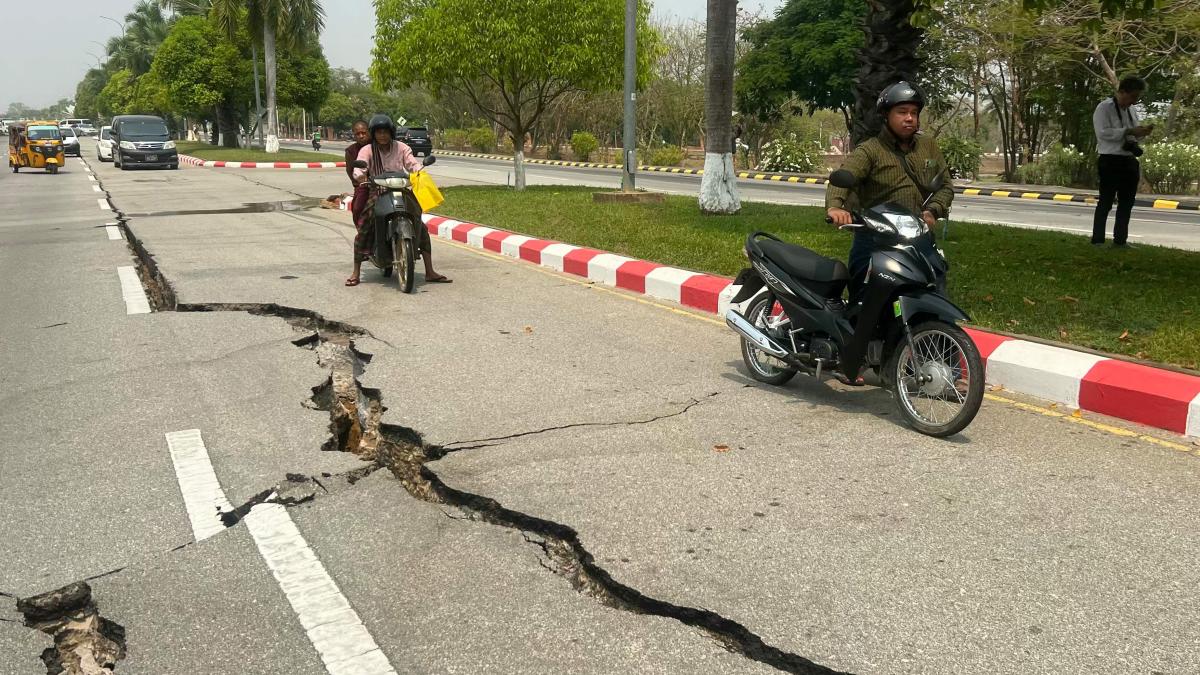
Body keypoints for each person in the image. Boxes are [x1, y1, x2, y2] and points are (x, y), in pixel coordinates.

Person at [826, 81, 954, 301]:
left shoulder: (928, 146)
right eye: (902, 112)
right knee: (865, 298)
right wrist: (835, 207)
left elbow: (945, 185)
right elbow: (843, 177)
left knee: (933, 292)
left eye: (914, 113)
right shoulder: (870, 150)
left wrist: (933, 210)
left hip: (917, 233)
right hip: (876, 237)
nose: (909, 118)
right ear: (886, 115)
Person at [346, 114, 450, 286]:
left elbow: (412, 164)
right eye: (379, 132)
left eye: (385, 132)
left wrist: (419, 171)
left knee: (419, 224)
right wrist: (360, 175)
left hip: (400, 189)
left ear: (391, 132)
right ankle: (356, 271)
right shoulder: (367, 150)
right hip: (377, 190)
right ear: (374, 134)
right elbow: (360, 166)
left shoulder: (402, 147)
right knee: (365, 223)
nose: (382, 135)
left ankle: (430, 271)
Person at [1092, 76, 1152, 248]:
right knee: (1106, 201)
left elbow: (1132, 134)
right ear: (1122, 92)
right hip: (1110, 160)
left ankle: (1120, 240)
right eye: (1133, 96)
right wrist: (1128, 131)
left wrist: (1141, 133)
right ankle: (1098, 240)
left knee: (1127, 202)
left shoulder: (1131, 110)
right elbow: (1102, 133)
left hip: (1129, 160)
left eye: (1137, 97)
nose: (1134, 101)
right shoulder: (1104, 108)